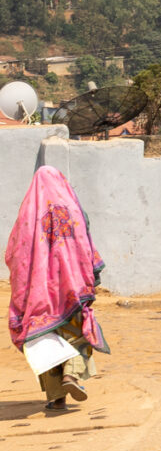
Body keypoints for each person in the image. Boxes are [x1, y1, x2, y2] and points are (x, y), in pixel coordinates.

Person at [6, 166, 110, 410]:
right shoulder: (73, 208)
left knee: (45, 338)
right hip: (73, 286)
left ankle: (56, 398)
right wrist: (90, 274)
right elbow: (86, 240)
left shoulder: (28, 214)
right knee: (78, 332)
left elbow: (15, 251)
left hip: (39, 291)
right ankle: (71, 374)